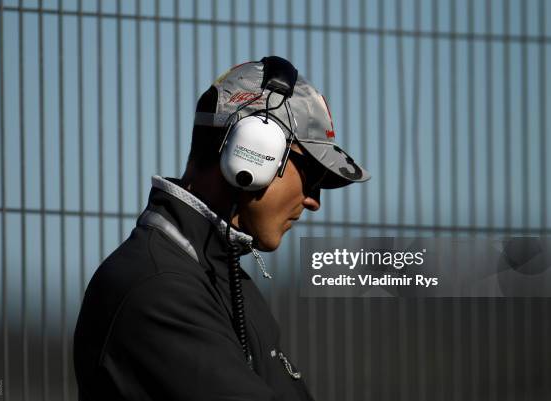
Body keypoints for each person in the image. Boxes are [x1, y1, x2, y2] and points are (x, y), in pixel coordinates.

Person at [73, 56, 369, 401]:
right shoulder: (159, 289)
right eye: (311, 176)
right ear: (253, 152)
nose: (313, 200)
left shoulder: (215, 276)